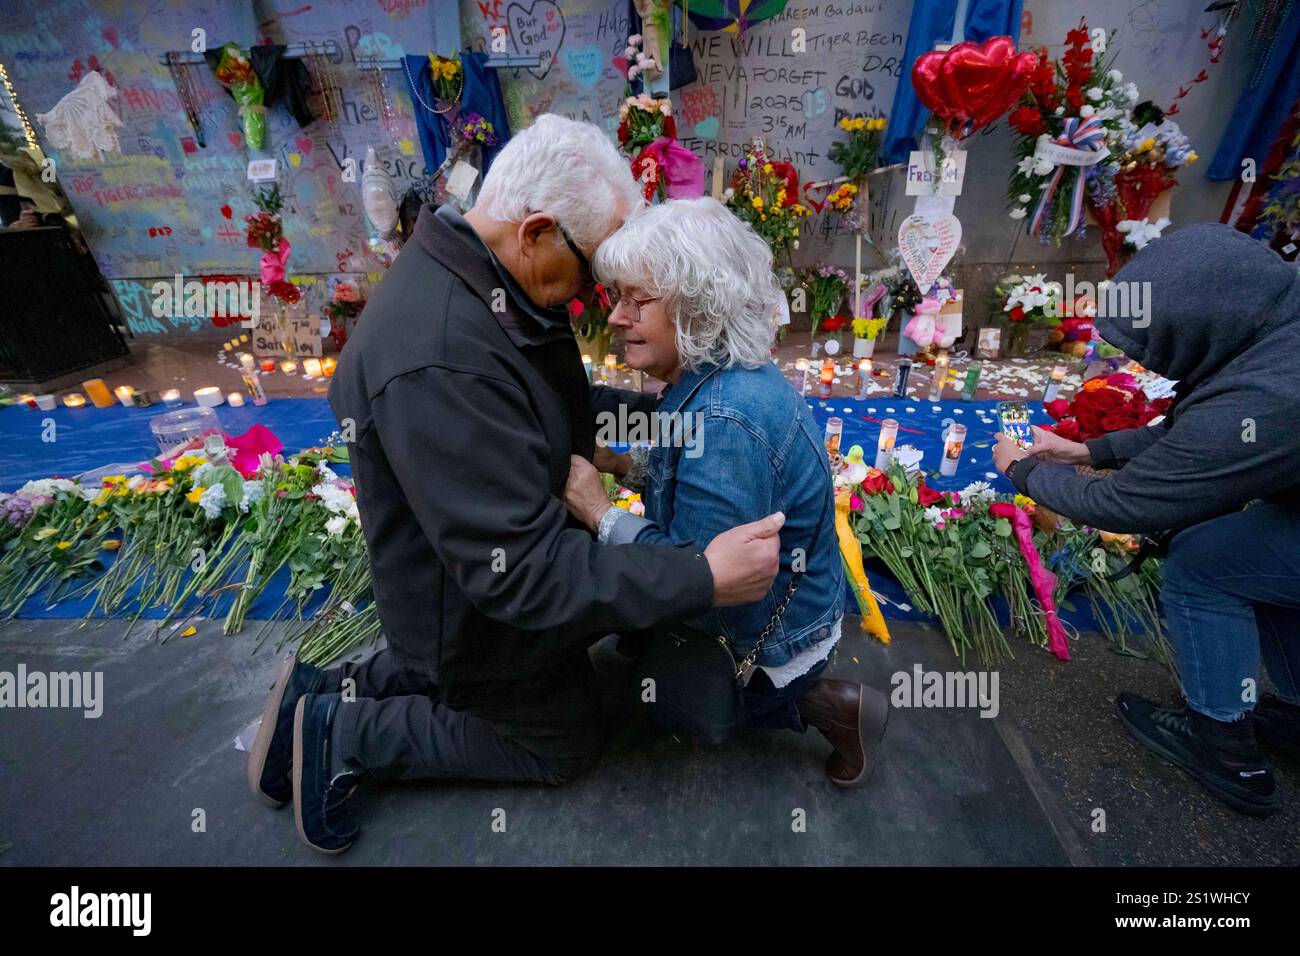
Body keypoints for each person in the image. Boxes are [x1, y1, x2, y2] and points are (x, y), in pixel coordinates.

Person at [246, 115, 784, 854]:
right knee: (562, 737)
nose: (603, 300)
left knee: (537, 647)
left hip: (458, 574)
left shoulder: (495, 280)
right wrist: (701, 576)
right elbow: (521, 575)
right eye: (598, 272)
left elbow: (559, 411)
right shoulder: (441, 355)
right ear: (536, 232)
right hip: (468, 610)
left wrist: (668, 425)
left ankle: (320, 695)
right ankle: (345, 733)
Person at [563, 198, 889, 786]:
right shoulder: (719, 377)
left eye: (638, 301)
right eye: (618, 297)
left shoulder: (725, 418)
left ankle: (827, 706)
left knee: (644, 687)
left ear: (697, 306)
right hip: (784, 599)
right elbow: (692, 482)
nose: (615, 317)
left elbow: (702, 577)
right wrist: (629, 462)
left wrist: (597, 510)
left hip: (763, 634)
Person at [993, 223, 1300, 817]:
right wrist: (1088, 451)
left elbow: (1127, 504)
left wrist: (1023, 472)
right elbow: (1198, 427)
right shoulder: (1271, 327)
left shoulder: (1272, 395)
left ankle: (1225, 747)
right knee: (1258, 558)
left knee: (1206, 562)